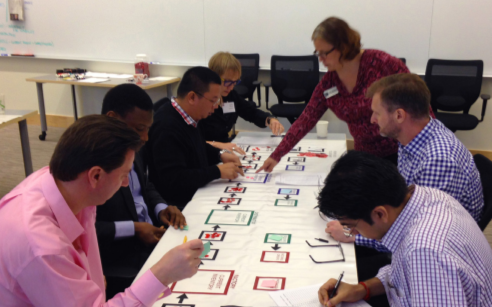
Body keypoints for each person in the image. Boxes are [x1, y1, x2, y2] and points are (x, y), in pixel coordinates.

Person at [0, 115, 203, 307]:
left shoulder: (61, 183)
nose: (126, 184)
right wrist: (162, 275)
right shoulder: (43, 247)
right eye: (124, 175)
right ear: (96, 176)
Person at [316, 151, 492, 307]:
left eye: (351, 226)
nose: (353, 233)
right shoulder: (426, 197)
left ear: (379, 214)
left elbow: (422, 266)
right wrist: (362, 289)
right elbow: (402, 275)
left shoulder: (425, 252)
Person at [326, 73, 484, 245]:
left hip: (437, 249)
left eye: (376, 113)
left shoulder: (438, 160)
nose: (372, 119)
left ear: (399, 116)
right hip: (412, 229)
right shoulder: (412, 137)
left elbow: (419, 235)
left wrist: (354, 235)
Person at [258, 16, 414, 173]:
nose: (321, 60)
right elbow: (306, 119)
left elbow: (418, 101)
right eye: (317, 53)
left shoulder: (382, 64)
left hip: (401, 153)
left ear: (344, 46)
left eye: (324, 53)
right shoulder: (329, 83)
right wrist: (276, 156)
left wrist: (433, 145)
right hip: (365, 157)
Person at [97, 84, 187, 298]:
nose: (146, 137)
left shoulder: (132, 146)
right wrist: (135, 228)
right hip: (120, 259)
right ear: (113, 118)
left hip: (151, 238)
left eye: (148, 129)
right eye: (139, 129)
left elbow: (144, 184)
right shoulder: (93, 160)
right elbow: (86, 228)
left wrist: (161, 208)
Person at [147, 67, 244, 210]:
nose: (216, 107)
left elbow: (196, 146)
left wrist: (220, 155)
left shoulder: (189, 116)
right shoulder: (166, 127)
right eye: (213, 100)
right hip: (180, 204)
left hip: (197, 190)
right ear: (192, 97)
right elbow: (174, 179)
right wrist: (217, 172)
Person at [198, 52, 285, 155]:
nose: (231, 87)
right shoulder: (200, 102)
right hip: (205, 154)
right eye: (227, 82)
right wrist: (217, 144)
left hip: (225, 150)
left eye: (235, 82)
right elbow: (190, 142)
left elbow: (250, 112)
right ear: (213, 77)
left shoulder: (230, 95)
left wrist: (269, 119)